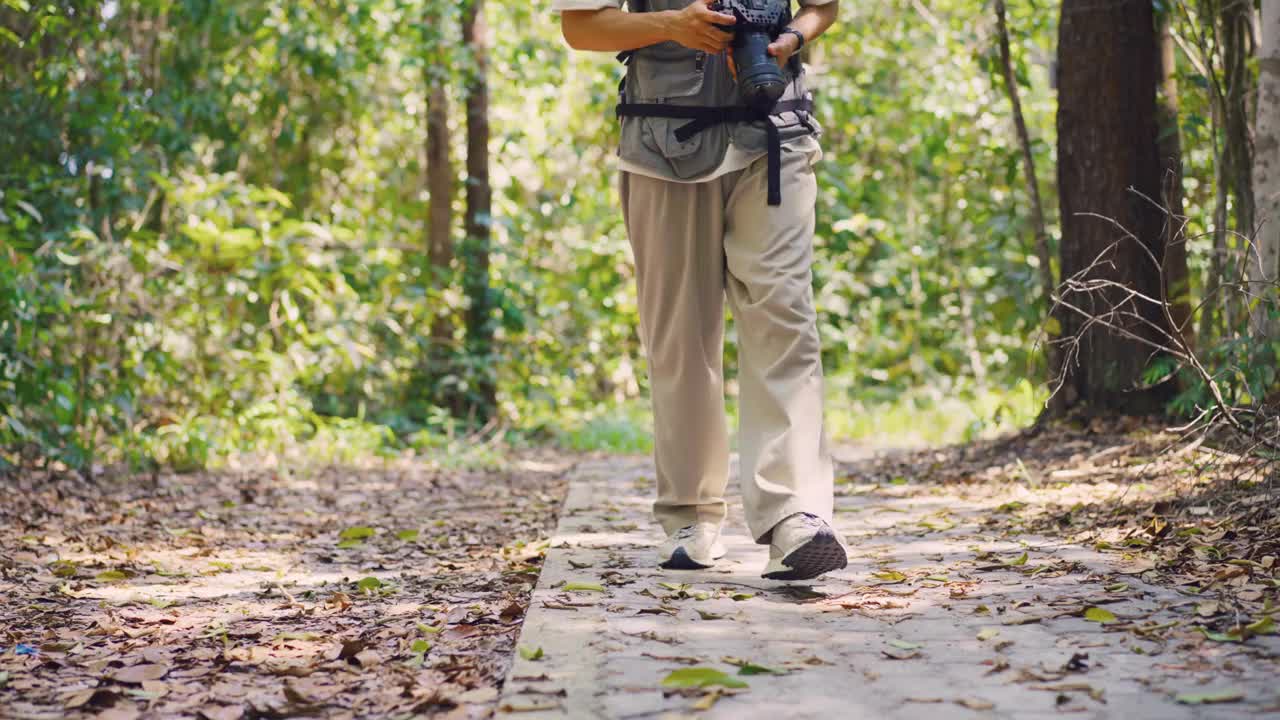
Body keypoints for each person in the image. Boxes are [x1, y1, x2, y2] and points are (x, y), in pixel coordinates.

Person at [555, 0, 846, 581]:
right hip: (662, 147)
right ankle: (691, 516)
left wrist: (788, 37)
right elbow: (580, 26)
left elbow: (823, 7)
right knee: (680, 336)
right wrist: (672, 24)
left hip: (773, 137)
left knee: (785, 316)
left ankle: (795, 515)